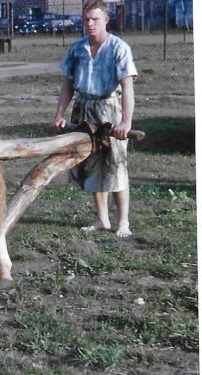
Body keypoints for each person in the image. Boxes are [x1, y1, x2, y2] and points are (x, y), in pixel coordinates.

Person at [51, 0, 137, 238]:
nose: (89, 23)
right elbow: (67, 86)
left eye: (95, 19)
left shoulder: (119, 48)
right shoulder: (78, 49)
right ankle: (101, 219)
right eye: (86, 19)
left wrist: (125, 122)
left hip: (110, 110)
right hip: (84, 108)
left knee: (115, 164)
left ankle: (123, 222)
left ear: (106, 20)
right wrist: (59, 115)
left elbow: (127, 87)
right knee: (90, 164)